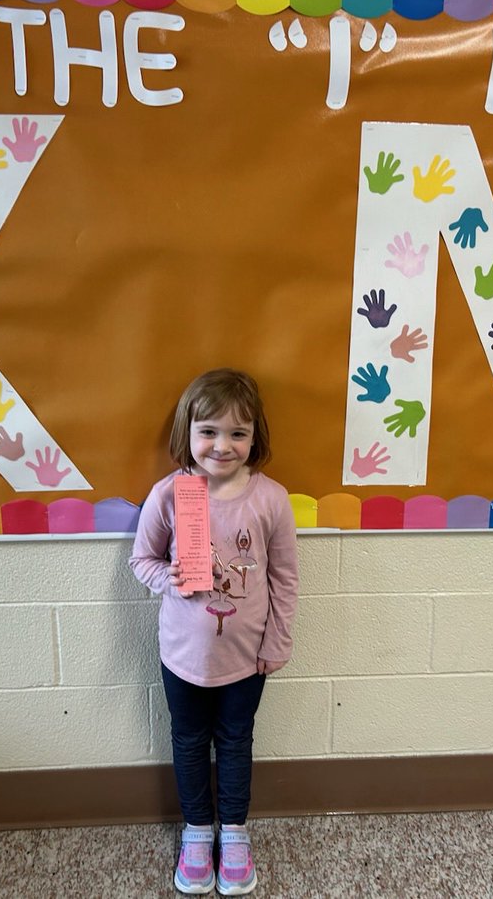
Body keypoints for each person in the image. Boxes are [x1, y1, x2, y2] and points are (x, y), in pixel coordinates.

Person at [129, 368, 299, 896]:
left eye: (238, 433)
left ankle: (235, 834)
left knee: (235, 741)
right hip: (182, 655)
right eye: (209, 431)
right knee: (188, 741)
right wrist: (170, 580)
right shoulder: (170, 494)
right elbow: (142, 560)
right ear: (188, 433)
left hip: (247, 658)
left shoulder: (271, 499)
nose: (222, 445)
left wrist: (278, 641)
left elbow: (284, 578)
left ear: (255, 438)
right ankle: (197, 832)